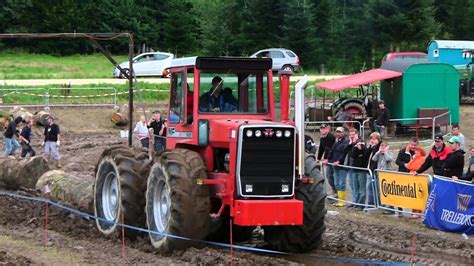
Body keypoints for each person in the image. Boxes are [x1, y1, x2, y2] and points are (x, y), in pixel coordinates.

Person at [324, 126, 349, 207]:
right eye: (337, 132)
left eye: (340, 132)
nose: (338, 133)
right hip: (334, 165)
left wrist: (339, 161)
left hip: (341, 166)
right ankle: (339, 199)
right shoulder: (337, 141)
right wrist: (328, 159)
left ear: (343, 132)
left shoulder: (346, 142)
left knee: (342, 183)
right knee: (337, 183)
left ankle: (342, 201)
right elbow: (331, 151)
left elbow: (344, 153)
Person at [317, 124, 336, 195]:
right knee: (329, 175)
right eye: (321, 129)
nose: (323, 130)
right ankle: (334, 189)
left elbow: (330, 149)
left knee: (331, 175)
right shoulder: (322, 137)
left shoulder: (330, 137)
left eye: (324, 128)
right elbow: (321, 148)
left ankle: (336, 190)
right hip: (329, 158)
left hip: (333, 158)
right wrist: (318, 158)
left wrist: (327, 159)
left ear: (327, 129)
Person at [350, 138, 369, 210]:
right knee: (356, 189)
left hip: (362, 171)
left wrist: (363, 148)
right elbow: (352, 156)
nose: (359, 145)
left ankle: (361, 205)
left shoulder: (365, 150)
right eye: (358, 143)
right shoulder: (355, 150)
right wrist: (355, 148)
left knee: (362, 190)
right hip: (355, 170)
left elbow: (366, 155)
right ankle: (356, 204)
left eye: (361, 143)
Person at [366, 132, 382, 207]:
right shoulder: (372, 147)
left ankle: (378, 204)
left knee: (376, 189)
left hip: (375, 171)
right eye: (371, 139)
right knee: (370, 188)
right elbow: (366, 155)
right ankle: (371, 204)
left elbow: (375, 158)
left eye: (374, 139)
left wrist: (376, 145)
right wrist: (370, 147)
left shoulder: (379, 147)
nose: (372, 140)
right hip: (370, 170)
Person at [345, 127, 359, 207]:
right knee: (351, 184)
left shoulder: (360, 142)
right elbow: (345, 151)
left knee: (356, 185)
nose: (352, 136)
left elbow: (355, 153)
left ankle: (357, 202)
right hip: (350, 165)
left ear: (356, 134)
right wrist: (350, 143)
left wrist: (354, 143)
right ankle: (354, 201)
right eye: (350, 135)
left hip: (356, 166)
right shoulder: (349, 142)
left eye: (353, 134)